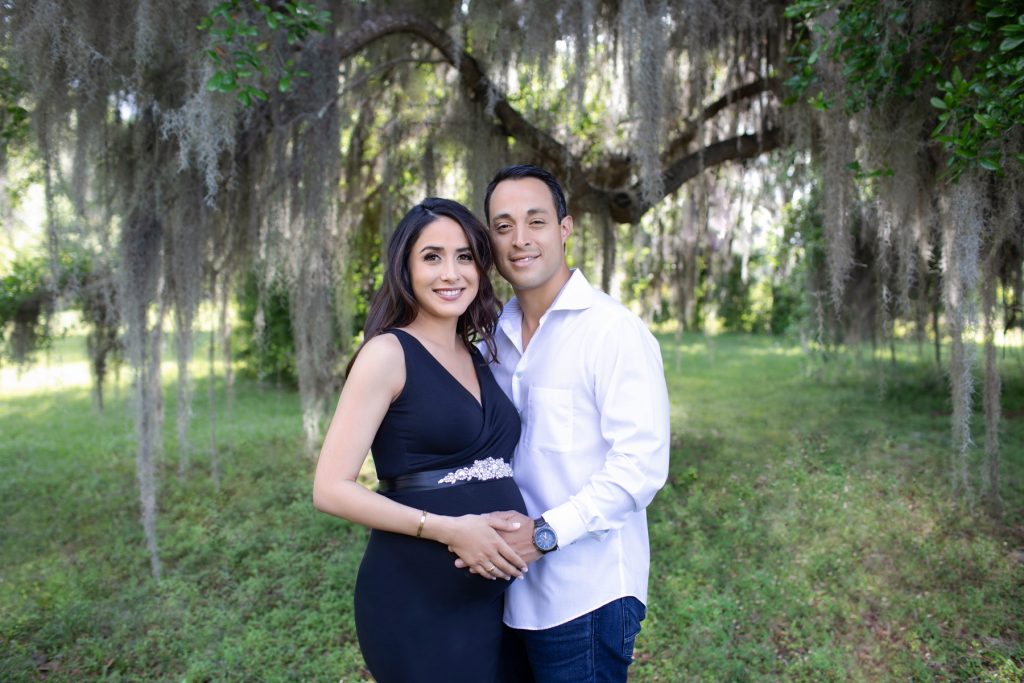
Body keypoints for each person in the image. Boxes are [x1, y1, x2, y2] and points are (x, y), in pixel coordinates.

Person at [465, 164, 671, 682]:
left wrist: (546, 535)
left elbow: (639, 469)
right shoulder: (491, 340)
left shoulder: (612, 332)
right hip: (505, 593)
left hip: (587, 594)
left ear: (564, 228)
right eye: (503, 225)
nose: (519, 240)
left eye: (535, 221)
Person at [312, 197, 530, 683]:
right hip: (416, 605)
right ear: (405, 268)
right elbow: (330, 489)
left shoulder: (478, 355)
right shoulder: (387, 353)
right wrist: (449, 529)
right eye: (432, 256)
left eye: (464, 256)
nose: (450, 273)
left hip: (502, 605)